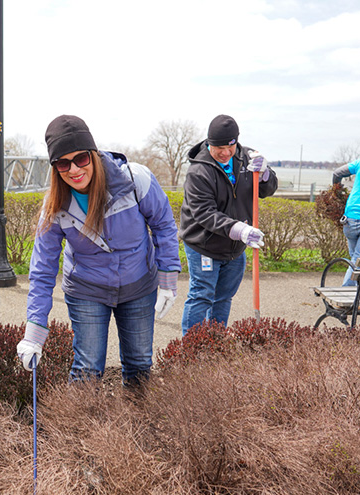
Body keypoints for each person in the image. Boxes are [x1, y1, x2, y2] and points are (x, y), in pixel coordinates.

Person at [16, 114, 181, 385]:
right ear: (55, 167)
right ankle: (81, 425)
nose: (74, 169)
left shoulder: (136, 180)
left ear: (93, 154)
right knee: (87, 368)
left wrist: (168, 279)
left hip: (138, 283)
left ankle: (137, 421)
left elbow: (164, 224)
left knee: (139, 363)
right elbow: (42, 270)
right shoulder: (54, 206)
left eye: (81, 158)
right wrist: (34, 334)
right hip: (87, 289)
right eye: (63, 163)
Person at [179, 114, 278, 335]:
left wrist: (264, 174)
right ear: (209, 143)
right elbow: (204, 213)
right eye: (218, 148)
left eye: (229, 147)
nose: (225, 153)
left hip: (234, 248)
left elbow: (267, 190)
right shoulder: (199, 170)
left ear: (236, 141)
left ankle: (214, 344)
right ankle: (190, 351)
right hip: (203, 244)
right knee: (202, 295)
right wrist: (240, 229)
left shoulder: (247, 159)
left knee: (223, 298)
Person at [332, 158, 360, 285]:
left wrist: (337, 192)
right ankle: (347, 295)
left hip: (349, 219)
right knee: (358, 262)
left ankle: (359, 296)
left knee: (357, 260)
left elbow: (337, 173)